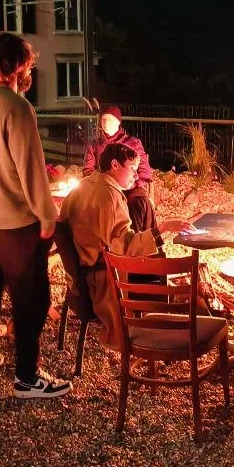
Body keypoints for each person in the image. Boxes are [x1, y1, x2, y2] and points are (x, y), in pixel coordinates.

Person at [0, 33, 71, 399]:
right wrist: (47, 214)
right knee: (32, 300)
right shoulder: (16, 107)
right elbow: (30, 167)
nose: (31, 71)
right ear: (17, 65)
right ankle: (27, 377)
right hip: (17, 223)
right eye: (28, 64)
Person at [60, 141, 190, 349]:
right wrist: (164, 228)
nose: (136, 176)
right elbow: (127, 247)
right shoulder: (111, 196)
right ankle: (152, 335)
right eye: (133, 169)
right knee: (157, 264)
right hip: (102, 284)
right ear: (115, 165)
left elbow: (62, 225)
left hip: (78, 281)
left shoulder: (81, 188)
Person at [82, 105, 157, 233]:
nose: (105, 123)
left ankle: (139, 240)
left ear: (118, 122)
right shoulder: (94, 145)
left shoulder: (133, 143)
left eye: (109, 119)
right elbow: (88, 171)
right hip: (105, 189)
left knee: (138, 203)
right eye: (103, 119)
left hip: (130, 189)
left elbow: (144, 172)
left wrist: (132, 185)